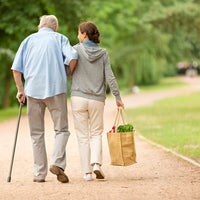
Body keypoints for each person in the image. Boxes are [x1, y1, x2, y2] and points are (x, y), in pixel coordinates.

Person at [11, 15, 77, 183]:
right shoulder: (60, 38)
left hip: (32, 90)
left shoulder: (28, 40)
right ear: (55, 27)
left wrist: (20, 90)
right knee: (61, 130)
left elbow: (16, 69)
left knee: (36, 134)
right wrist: (67, 73)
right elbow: (73, 57)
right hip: (56, 89)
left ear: (40, 26)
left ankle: (39, 174)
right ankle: (57, 162)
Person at [70, 21, 124, 181]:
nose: (77, 35)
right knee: (95, 133)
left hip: (78, 97)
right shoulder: (103, 53)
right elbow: (110, 77)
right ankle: (97, 165)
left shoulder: (75, 50)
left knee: (82, 136)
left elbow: (68, 70)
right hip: (97, 100)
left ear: (84, 34)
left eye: (79, 32)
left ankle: (86, 173)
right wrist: (118, 97)